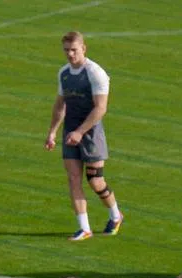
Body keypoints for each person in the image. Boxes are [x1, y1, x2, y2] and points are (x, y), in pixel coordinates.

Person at [44, 31, 123, 241]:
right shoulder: (64, 73)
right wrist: (52, 132)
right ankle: (84, 228)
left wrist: (80, 132)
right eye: (66, 50)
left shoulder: (95, 73)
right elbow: (60, 105)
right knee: (73, 178)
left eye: (74, 50)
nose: (70, 54)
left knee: (95, 180)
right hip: (70, 131)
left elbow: (101, 108)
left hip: (91, 132)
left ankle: (115, 215)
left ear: (83, 48)